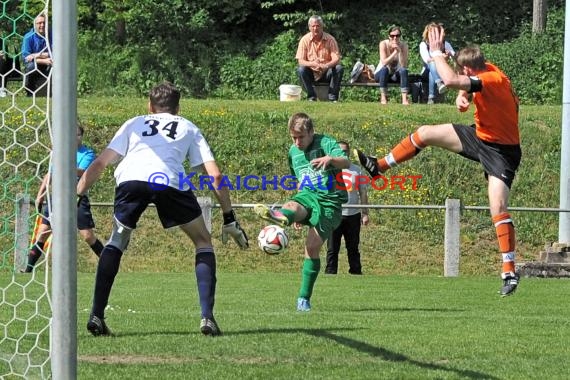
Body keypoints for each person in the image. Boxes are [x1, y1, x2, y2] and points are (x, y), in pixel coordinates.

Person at [355, 26, 522, 297]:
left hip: (502, 152)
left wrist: (435, 54)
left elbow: (452, 79)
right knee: (425, 133)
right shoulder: (483, 67)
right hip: (479, 135)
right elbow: (462, 87)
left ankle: (509, 271)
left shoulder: (492, 79)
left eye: (464, 74)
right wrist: (462, 97)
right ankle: (379, 167)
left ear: (470, 71)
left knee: (498, 207)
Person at [76, 81, 249, 337]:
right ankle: (207, 318)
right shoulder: (188, 127)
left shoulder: (134, 123)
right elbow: (215, 175)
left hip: (131, 179)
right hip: (167, 180)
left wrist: (77, 194)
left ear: (149, 106)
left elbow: (101, 163)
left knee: (116, 241)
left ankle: (97, 315)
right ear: (177, 108)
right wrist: (229, 216)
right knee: (203, 241)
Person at [254, 112, 349, 311]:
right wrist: (298, 215)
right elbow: (299, 180)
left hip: (329, 202)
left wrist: (330, 159)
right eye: (293, 138)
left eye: (301, 137)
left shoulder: (325, 142)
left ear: (311, 132)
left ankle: (304, 299)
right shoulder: (293, 152)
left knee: (311, 248)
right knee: (290, 205)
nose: (297, 142)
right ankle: (281, 217)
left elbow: (346, 161)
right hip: (307, 196)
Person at [24, 125, 104, 272]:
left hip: (77, 197)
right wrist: (40, 194)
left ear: (82, 136)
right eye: (72, 135)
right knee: (42, 233)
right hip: (57, 197)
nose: (75, 137)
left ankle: (108, 264)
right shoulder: (59, 153)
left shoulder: (88, 153)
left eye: (78, 135)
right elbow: (50, 174)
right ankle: (27, 270)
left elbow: (82, 172)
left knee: (87, 236)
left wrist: (64, 164)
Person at [325, 141, 369, 275]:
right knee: (332, 249)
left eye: (345, 151)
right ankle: (330, 275)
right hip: (335, 214)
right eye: (340, 151)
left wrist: (365, 213)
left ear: (349, 152)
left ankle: (356, 274)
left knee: (353, 248)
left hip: (353, 216)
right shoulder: (329, 170)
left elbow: (363, 192)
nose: (343, 153)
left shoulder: (357, 170)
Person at [295, 15, 343, 102]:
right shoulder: (304, 40)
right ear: (309, 27)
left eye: (318, 26)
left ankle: (333, 98)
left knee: (339, 68)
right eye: (313, 26)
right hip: (311, 72)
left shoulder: (330, 39)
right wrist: (312, 63)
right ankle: (311, 97)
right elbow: (300, 61)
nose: (315, 28)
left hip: (326, 72)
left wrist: (327, 65)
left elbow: (336, 58)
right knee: (301, 70)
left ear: (322, 27)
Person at [419, 22, 456, 104]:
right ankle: (439, 84)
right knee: (432, 65)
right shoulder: (423, 44)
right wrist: (440, 57)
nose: (434, 35)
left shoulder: (445, 44)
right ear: (427, 33)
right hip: (426, 70)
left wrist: (449, 54)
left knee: (432, 71)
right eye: (431, 32)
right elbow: (427, 60)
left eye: (436, 32)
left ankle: (431, 98)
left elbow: (455, 56)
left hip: (441, 71)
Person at [374, 26, 409, 105]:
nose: (395, 38)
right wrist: (394, 53)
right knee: (384, 69)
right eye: (392, 36)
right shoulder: (383, 44)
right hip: (381, 74)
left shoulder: (404, 46)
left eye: (397, 35)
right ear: (389, 36)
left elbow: (403, 65)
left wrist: (399, 52)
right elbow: (384, 62)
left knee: (404, 71)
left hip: (395, 75)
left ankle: (404, 99)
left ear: (400, 36)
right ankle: (383, 97)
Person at [21, 12, 52, 96]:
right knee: (31, 67)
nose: (42, 25)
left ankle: (53, 92)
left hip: (50, 61)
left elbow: (56, 53)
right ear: (35, 25)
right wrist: (44, 60)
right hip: (35, 63)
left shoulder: (52, 34)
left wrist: (35, 55)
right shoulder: (28, 37)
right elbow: (26, 57)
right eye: (39, 23)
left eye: (44, 23)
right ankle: (30, 93)